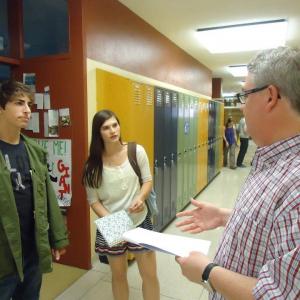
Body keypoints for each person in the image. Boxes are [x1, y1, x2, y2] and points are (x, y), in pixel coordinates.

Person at [175, 46, 300, 299]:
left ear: (270, 96)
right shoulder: (271, 160)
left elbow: (279, 294)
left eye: (244, 96)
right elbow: (271, 224)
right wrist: (225, 216)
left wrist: (207, 271)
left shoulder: (296, 184)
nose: (242, 107)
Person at [0, 80, 69, 300]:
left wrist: (57, 238)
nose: (28, 110)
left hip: (31, 250)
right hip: (3, 255)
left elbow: (47, 198)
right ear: (1, 107)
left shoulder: (34, 151)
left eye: (29, 104)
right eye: (19, 103)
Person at [82, 109, 160, 300]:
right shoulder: (92, 166)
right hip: (113, 222)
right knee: (118, 276)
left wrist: (141, 198)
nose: (112, 131)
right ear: (98, 132)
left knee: (149, 275)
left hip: (139, 219)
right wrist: (112, 220)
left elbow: (147, 180)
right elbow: (93, 200)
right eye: (106, 128)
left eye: (115, 125)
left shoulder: (136, 151)